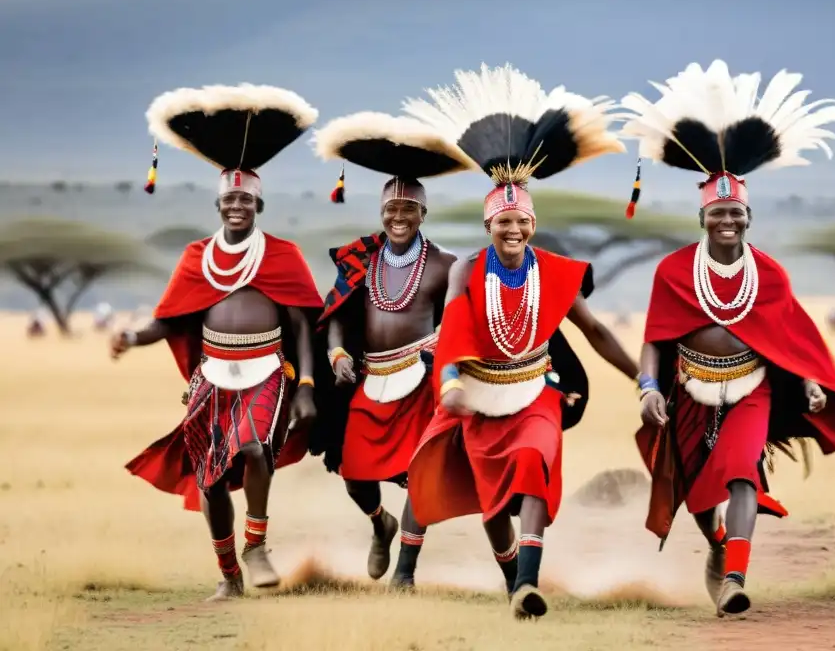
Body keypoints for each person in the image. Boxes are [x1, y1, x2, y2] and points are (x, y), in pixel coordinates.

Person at [619, 60, 835, 617]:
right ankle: (717, 546)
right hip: (688, 392)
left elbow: (794, 339)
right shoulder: (673, 272)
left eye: (736, 212)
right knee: (699, 498)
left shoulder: (772, 274)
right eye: (718, 213)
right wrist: (647, 388)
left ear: (749, 217)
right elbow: (656, 339)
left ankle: (735, 576)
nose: (727, 221)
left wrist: (808, 384)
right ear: (703, 217)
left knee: (740, 474)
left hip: (751, 388)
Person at [402, 63, 646, 620]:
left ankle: (526, 587)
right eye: (502, 224)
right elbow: (458, 325)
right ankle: (495, 573)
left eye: (521, 224)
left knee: (536, 458)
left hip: (535, 390)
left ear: (532, 225)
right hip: (475, 393)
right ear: (489, 227)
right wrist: (448, 382)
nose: (512, 232)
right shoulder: (467, 272)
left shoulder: (554, 273)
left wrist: (644, 378)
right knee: (474, 488)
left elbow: (597, 331)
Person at [114, 84, 325, 601]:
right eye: (229, 199)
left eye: (246, 200)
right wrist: (131, 336)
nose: (237, 206)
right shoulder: (195, 257)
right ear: (218, 204)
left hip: (267, 370)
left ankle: (257, 545)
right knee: (209, 480)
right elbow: (169, 320)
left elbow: (301, 324)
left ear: (259, 205)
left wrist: (306, 386)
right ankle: (229, 576)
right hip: (211, 375)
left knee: (255, 448)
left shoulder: (283, 255)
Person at [307, 108, 476, 587]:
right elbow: (335, 316)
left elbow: (461, 321)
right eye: (391, 210)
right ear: (381, 213)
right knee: (353, 469)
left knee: (423, 471)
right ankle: (380, 522)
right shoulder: (360, 260)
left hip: (422, 377)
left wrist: (446, 362)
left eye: (409, 210)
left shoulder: (445, 265)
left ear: (424, 213)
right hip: (371, 377)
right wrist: (338, 355)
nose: (398, 217)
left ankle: (406, 569)